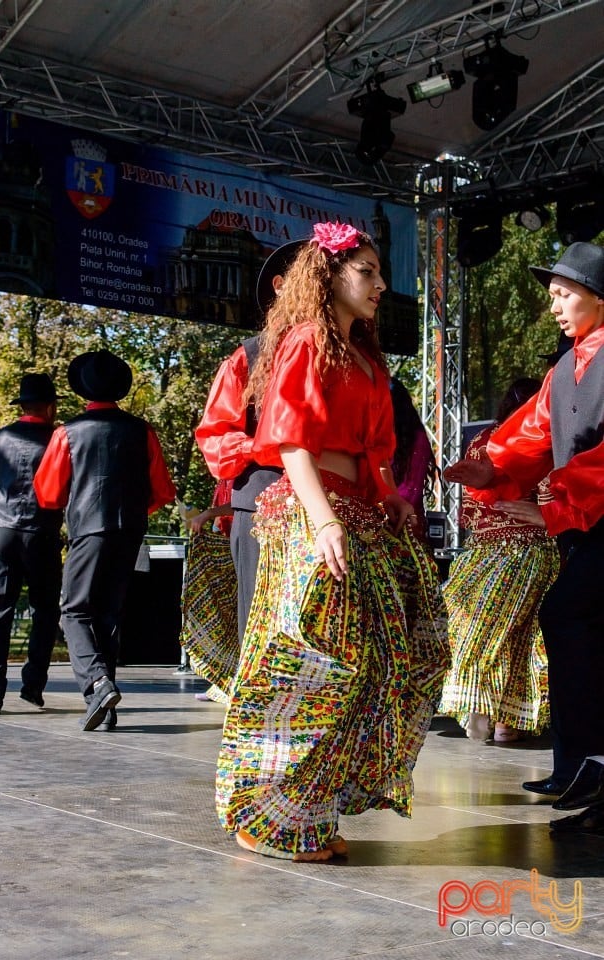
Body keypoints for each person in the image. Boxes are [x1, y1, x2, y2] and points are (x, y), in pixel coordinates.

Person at [215, 221, 450, 862]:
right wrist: (323, 522)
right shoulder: (302, 344)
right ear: (330, 276)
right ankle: (263, 811)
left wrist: (394, 498)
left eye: (380, 271)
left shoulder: (367, 360)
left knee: (386, 660)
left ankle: (309, 806)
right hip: (311, 514)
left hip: (361, 513)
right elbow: (292, 442)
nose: (380, 283)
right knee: (312, 663)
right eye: (367, 271)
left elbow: (374, 453)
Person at [443, 241, 604, 836]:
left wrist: (557, 503)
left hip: (595, 523)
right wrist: (491, 466)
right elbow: (530, 433)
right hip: (585, 532)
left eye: (565, 295)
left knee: (568, 617)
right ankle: (582, 770)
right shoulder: (566, 367)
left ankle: (590, 770)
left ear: (599, 296)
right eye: (553, 297)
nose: (555, 307)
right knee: (571, 628)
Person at [34, 349, 176, 731]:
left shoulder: (67, 432)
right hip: (130, 530)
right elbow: (162, 491)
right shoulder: (142, 429)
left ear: (83, 390)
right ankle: (106, 708)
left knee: (74, 608)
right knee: (108, 614)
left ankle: (97, 682)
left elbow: (47, 493)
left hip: (88, 529)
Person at [439, 377, 559, 742]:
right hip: (531, 550)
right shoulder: (544, 442)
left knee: (482, 628)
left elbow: (471, 512)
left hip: (497, 553)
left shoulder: (487, 441)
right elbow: (554, 493)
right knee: (520, 635)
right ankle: (506, 719)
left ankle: (488, 710)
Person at [195, 240, 303, 643]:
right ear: (280, 286)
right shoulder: (248, 357)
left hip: (340, 506)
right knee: (262, 630)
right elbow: (216, 437)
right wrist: (263, 446)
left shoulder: (351, 357)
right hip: (262, 504)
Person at [0, 373, 64, 715]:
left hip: (1, 530)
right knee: (45, 609)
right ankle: (33, 686)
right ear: (51, 406)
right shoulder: (60, 439)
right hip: (41, 532)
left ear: (22, 405)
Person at [181, 478, 237, 703]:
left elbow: (244, 503)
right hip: (226, 541)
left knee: (235, 615)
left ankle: (232, 680)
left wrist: (209, 514)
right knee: (226, 616)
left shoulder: (242, 469)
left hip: (241, 543)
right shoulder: (225, 477)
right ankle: (223, 680)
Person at [389, 376, 437, 542]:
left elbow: (410, 491)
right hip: (374, 523)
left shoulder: (416, 440)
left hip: (405, 529)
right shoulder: (370, 437)